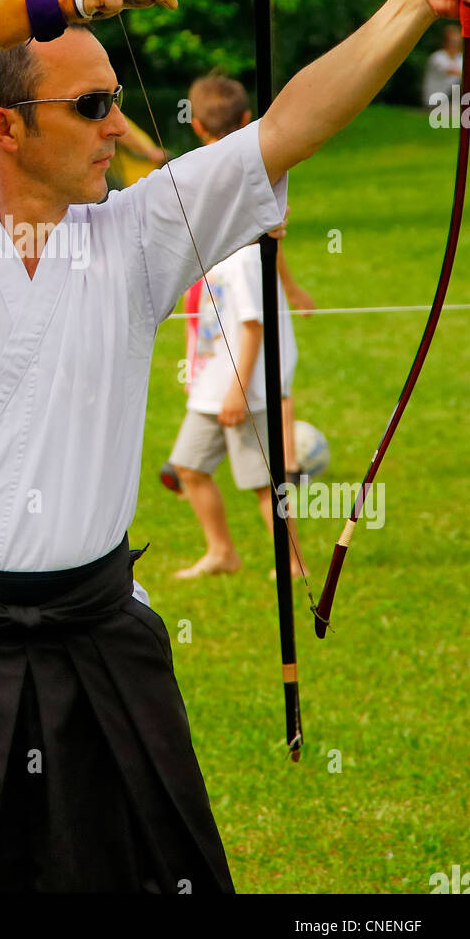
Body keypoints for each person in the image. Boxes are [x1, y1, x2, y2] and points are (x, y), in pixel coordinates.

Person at [0, 0, 470, 895]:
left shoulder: (138, 234)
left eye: (117, 102)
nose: (118, 129)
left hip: (98, 635)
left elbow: (288, 127)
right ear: (4, 125)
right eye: (90, 106)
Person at [157, 75, 308, 579]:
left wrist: (238, 391)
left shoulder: (241, 253)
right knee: (189, 469)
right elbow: (198, 309)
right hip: (210, 388)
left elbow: (251, 326)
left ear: (196, 125)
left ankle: (292, 563)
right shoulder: (211, 250)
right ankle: (221, 551)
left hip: (242, 391)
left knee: (265, 482)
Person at [421, 23, 462, 109]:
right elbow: (453, 72)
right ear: (446, 42)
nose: (455, 44)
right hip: (435, 100)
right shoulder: (437, 57)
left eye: (458, 41)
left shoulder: (460, 58)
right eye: (453, 41)